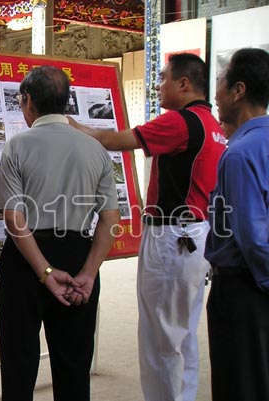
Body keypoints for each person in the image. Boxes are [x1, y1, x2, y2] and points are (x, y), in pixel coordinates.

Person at [68, 53, 226, 401]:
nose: (158, 85)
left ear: (184, 84)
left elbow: (115, 140)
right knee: (181, 332)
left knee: (160, 336)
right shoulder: (212, 125)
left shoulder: (181, 122)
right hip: (194, 234)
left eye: (164, 78)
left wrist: (72, 127)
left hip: (173, 237)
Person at [0, 66, 119, 401]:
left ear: (28, 101)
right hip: (78, 254)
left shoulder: (17, 146)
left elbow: (14, 217)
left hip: (25, 260)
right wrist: (89, 273)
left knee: (19, 361)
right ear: (66, 102)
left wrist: (45, 271)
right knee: (74, 363)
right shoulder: (95, 149)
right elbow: (110, 219)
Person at [205, 47, 269, 401]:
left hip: (245, 291)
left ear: (238, 90)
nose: (215, 92)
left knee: (240, 385)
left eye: (220, 80)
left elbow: (253, 237)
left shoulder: (240, 154)